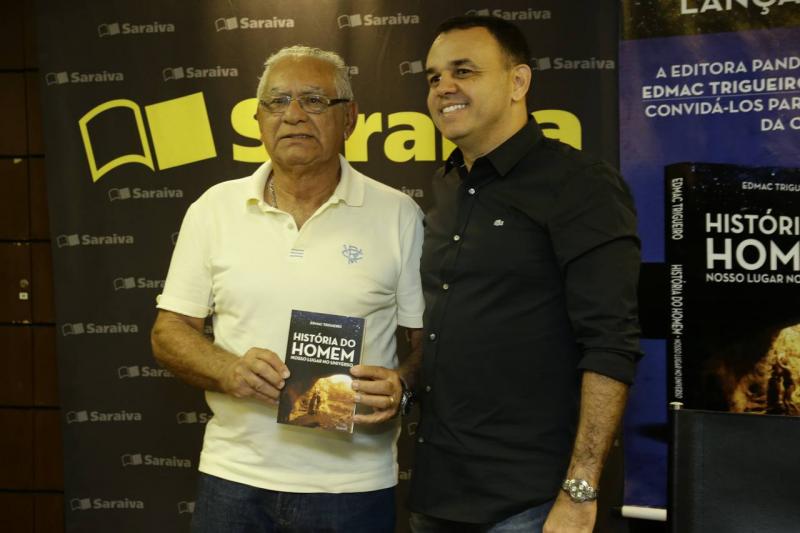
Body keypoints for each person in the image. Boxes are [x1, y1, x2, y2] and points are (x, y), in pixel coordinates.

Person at [150, 45, 424, 533]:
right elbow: (168, 332)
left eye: (314, 100)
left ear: (350, 118)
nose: (293, 115)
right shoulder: (214, 208)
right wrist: (227, 368)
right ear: (258, 120)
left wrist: (402, 386)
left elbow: (430, 344)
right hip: (233, 479)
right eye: (277, 102)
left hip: (352, 489)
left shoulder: (398, 214)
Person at [408, 15, 642, 533]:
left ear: (518, 82)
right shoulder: (447, 186)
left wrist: (580, 490)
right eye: (433, 76)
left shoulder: (581, 184)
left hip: (532, 505)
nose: (443, 87)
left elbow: (611, 344)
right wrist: (403, 382)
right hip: (438, 495)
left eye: (463, 71)